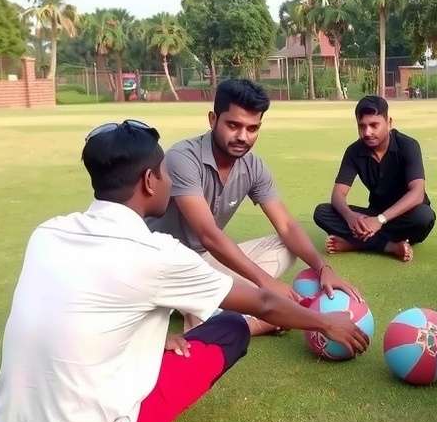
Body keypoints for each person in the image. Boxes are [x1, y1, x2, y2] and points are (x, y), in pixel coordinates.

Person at [0, 120, 368, 422]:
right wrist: (323, 322)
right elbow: (265, 302)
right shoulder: (156, 254)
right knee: (231, 329)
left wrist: (151, 340)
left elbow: (77, 317)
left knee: (62, 397)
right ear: (150, 181)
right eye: (166, 172)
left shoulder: (48, 232)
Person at [147, 79, 357, 334]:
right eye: (233, 125)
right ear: (213, 119)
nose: (242, 137)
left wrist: (323, 268)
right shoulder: (183, 158)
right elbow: (208, 235)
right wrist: (265, 282)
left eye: (252, 128)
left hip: (206, 260)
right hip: (165, 264)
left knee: (284, 246)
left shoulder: (253, 167)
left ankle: (222, 305)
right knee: (206, 307)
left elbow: (287, 226)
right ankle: (252, 321)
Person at [313, 96, 436, 262]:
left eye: (374, 125)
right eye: (362, 126)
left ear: (389, 122)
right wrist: (351, 217)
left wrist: (380, 220)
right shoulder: (354, 151)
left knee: (424, 216)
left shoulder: (408, 145)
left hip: (406, 216)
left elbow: (417, 193)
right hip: (373, 215)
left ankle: (355, 244)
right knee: (322, 212)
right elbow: (338, 194)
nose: (367, 132)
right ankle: (390, 247)